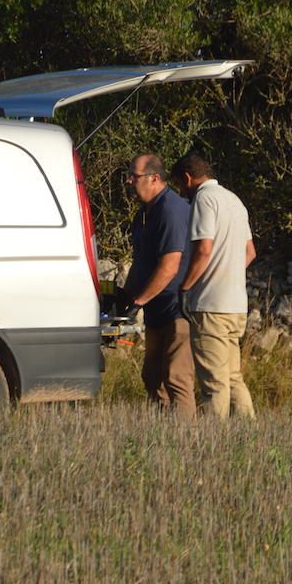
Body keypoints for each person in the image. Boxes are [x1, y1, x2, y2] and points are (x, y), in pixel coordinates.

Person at [172, 152, 256, 420]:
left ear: (187, 178)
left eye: (179, 185)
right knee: (233, 378)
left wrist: (185, 287)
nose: (181, 192)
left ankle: (211, 445)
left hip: (211, 306)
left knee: (213, 384)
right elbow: (250, 252)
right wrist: (228, 271)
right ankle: (249, 436)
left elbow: (204, 250)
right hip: (236, 306)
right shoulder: (234, 200)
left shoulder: (204, 199)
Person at [123, 153, 197, 420]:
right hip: (156, 309)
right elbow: (142, 261)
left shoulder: (171, 210)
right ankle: (166, 431)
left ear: (154, 178)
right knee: (152, 376)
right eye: (129, 176)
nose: (130, 181)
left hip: (176, 309)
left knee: (177, 378)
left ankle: (187, 438)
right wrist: (125, 296)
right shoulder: (144, 215)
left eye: (135, 176)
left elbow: (169, 266)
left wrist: (139, 301)